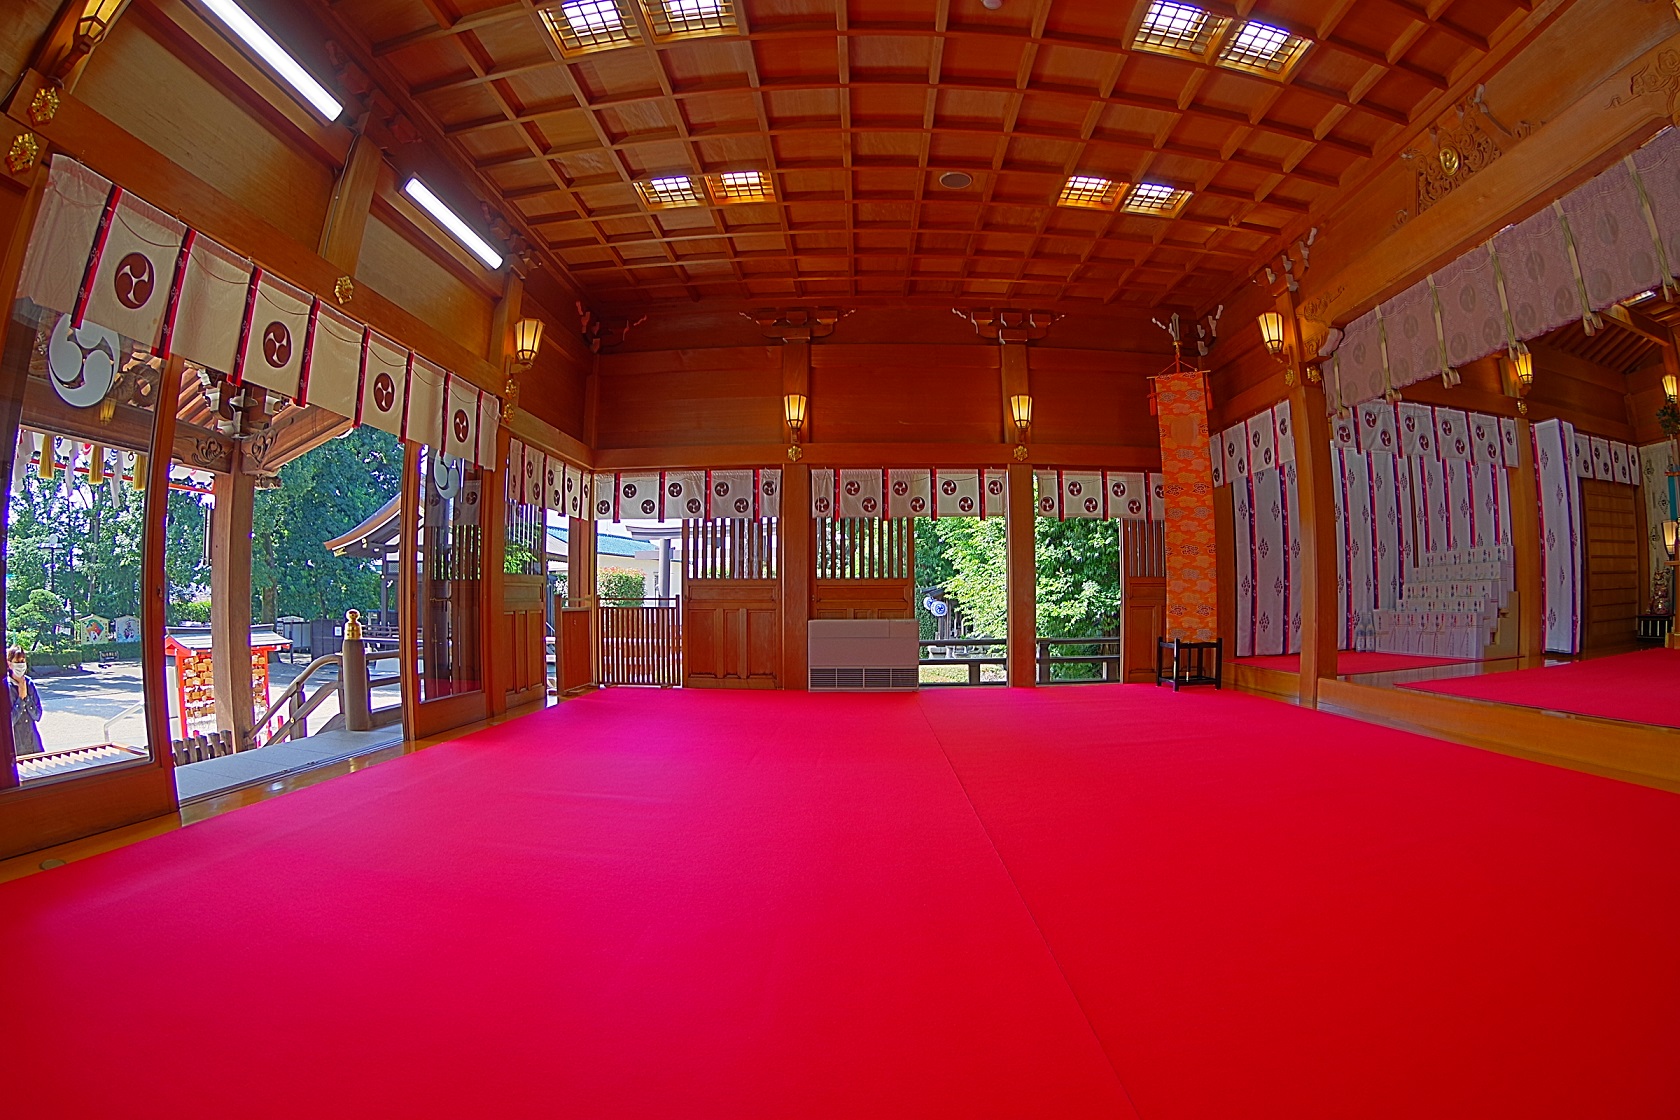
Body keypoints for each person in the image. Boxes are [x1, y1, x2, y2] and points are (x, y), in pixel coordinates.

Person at [7, 646, 43, 756]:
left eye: (22, 661)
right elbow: (9, 722)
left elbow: (37, 715)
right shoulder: (6, 687)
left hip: (33, 742)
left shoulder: (29, 683)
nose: (20, 665)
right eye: (17, 661)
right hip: (15, 745)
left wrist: (26, 698)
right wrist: (21, 700)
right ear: (9, 664)